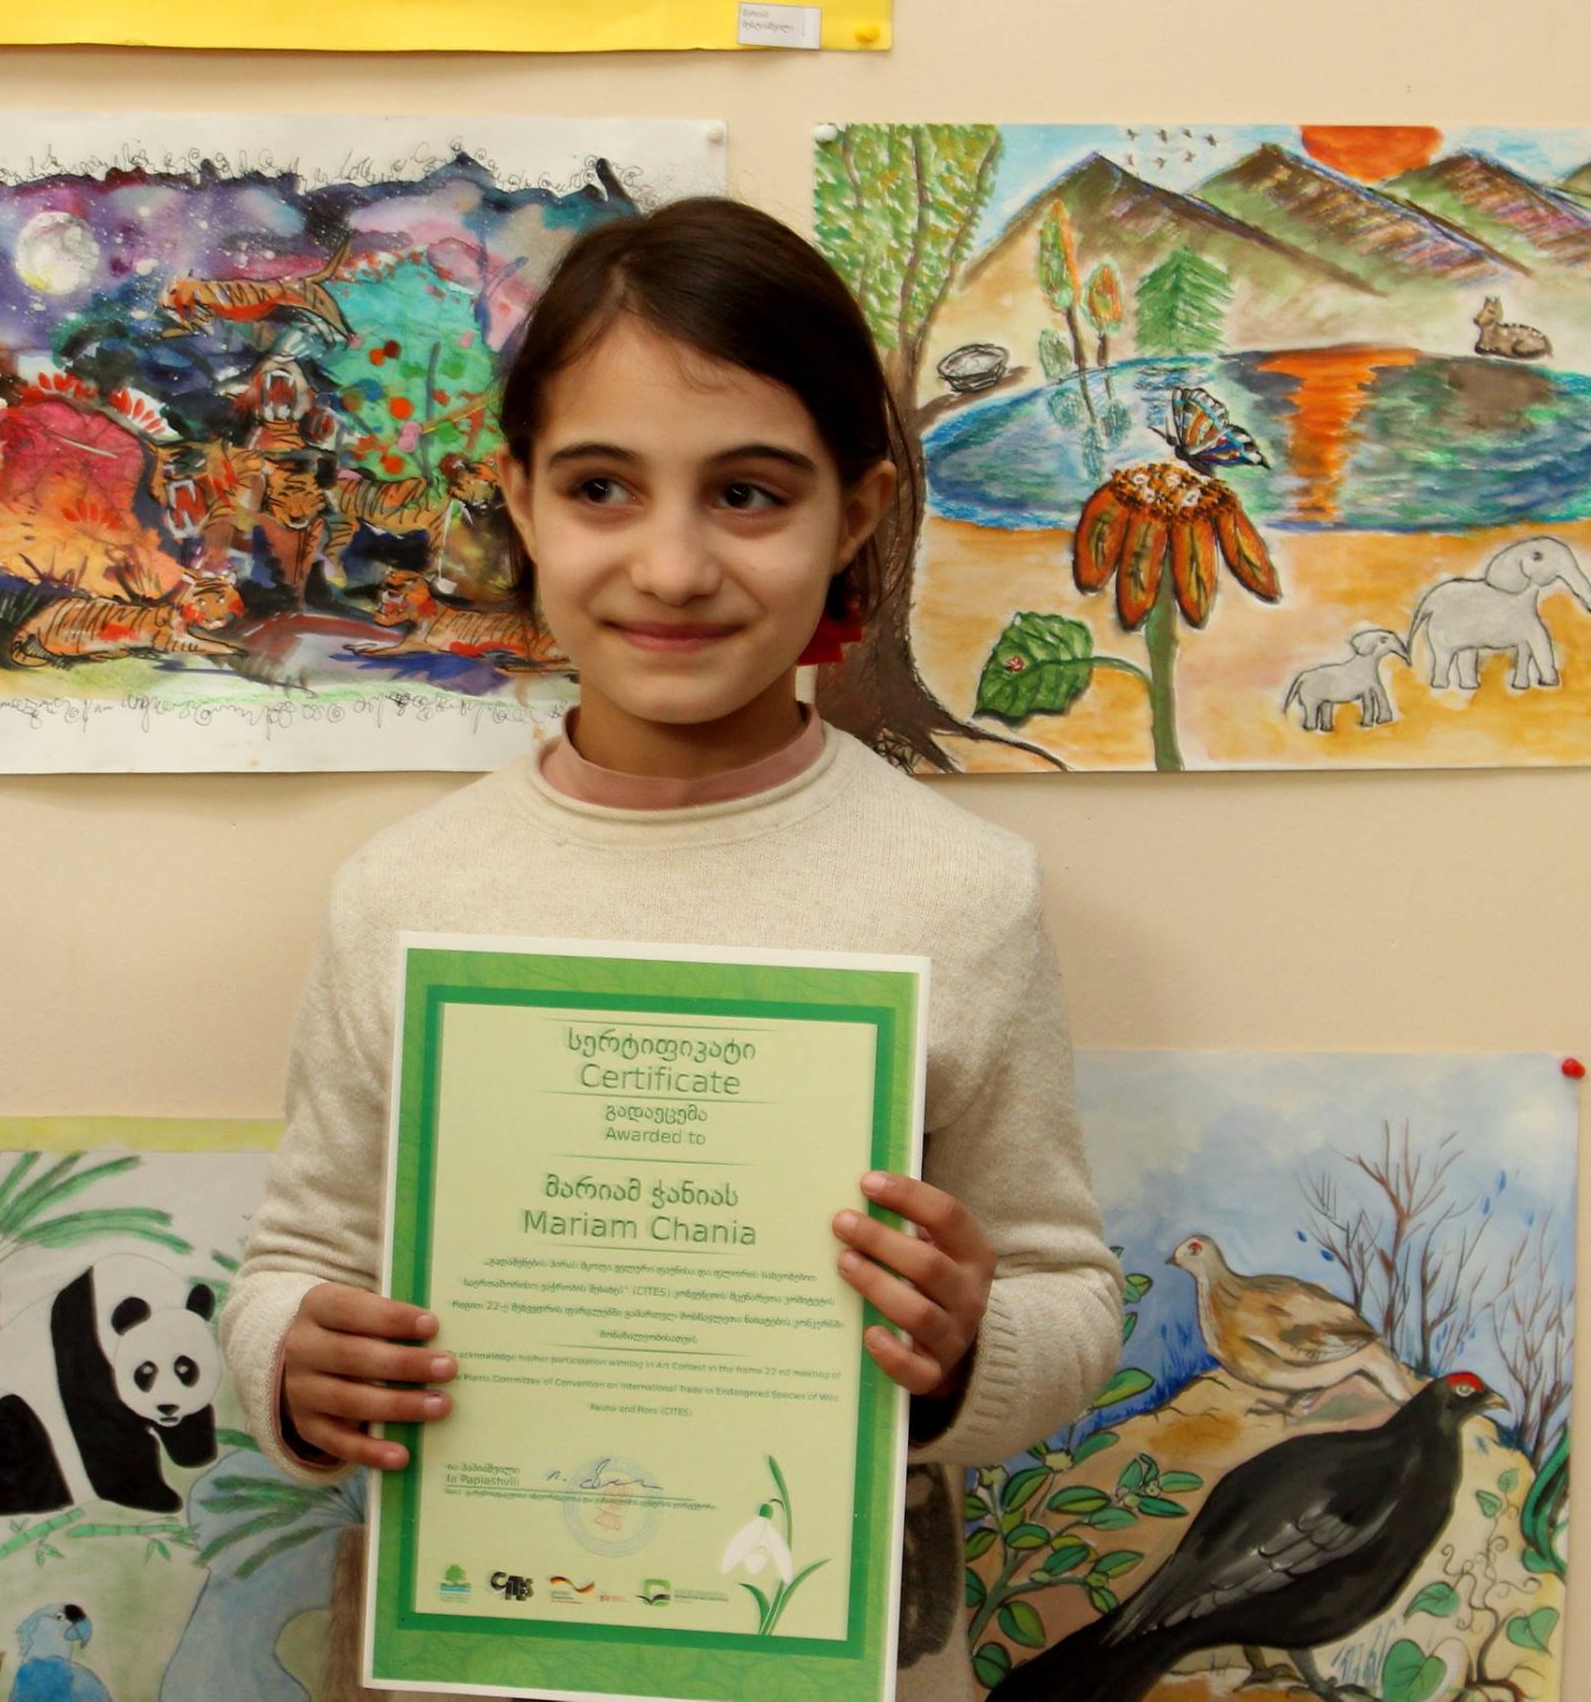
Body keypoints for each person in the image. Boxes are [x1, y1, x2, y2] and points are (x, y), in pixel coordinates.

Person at [222, 196, 1123, 1700]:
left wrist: (974, 1348)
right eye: (601, 488)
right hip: (477, 1650)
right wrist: (294, 1362)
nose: (673, 564)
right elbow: (297, 1260)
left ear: (860, 513)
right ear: (519, 501)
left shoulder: (959, 892)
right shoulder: (406, 892)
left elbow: (1065, 1291)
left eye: (750, 494)